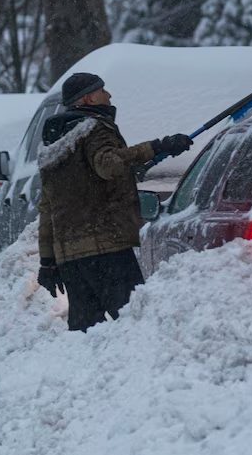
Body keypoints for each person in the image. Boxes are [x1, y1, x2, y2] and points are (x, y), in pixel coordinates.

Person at [36, 72, 192, 331]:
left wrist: (48, 262)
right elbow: (108, 166)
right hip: (106, 250)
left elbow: (48, 207)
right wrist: (156, 146)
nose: (108, 95)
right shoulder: (94, 128)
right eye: (102, 90)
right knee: (135, 324)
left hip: (71, 259)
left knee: (85, 335)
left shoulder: (53, 146)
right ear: (87, 98)